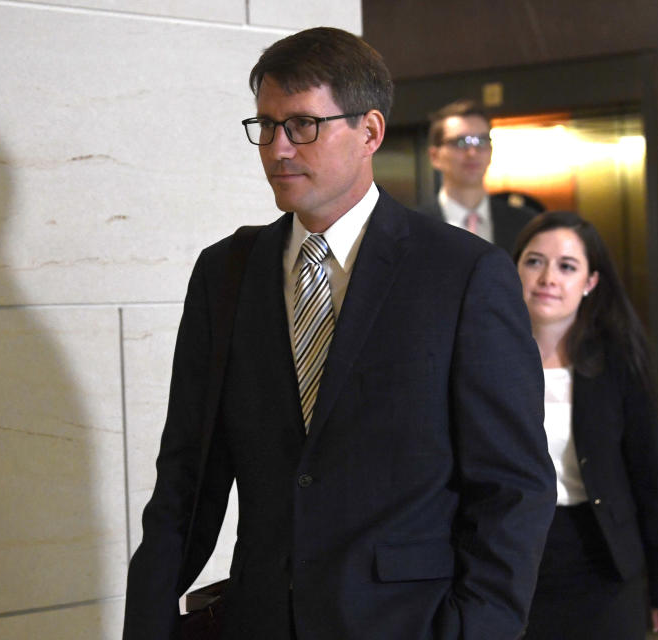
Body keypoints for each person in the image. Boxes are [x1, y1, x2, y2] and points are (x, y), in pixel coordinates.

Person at [124, 27, 556, 640]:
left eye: (303, 125)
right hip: (261, 619)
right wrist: (146, 622)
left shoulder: (462, 274)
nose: (278, 149)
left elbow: (513, 486)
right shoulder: (226, 273)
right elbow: (185, 481)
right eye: (266, 126)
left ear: (370, 132)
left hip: (408, 623)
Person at [513, 211, 658, 639]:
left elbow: (651, 482)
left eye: (567, 266)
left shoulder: (616, 364)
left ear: (589, 283)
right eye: (534, 261)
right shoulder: (484, 360)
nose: (548, 277)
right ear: (513, 268)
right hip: (509, 562)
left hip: (601, 564)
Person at [421, 99, 537, 253]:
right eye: (461, 142)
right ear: (434, 156)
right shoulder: (413, 227)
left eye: (481, 141)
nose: (472, 152)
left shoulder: (525, 224)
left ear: (491, 151)